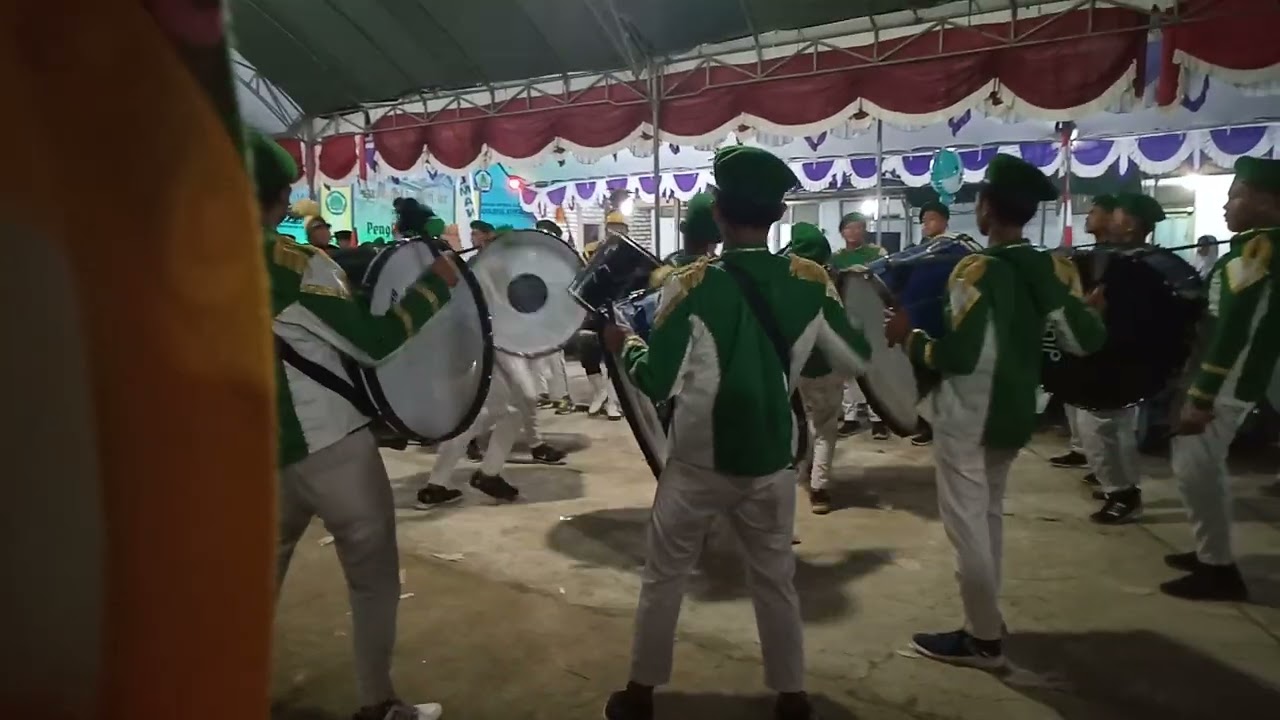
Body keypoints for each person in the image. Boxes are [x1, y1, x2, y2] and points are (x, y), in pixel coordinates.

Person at [599, 146, 871, 720]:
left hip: (697, 463)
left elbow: (660, 382)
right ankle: (792, 695)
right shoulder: (811, 280)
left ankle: (641, 693)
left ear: (719, 212)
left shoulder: (692, 284)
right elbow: (851, 356)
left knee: (665, 575)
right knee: (775, 578)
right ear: (775, 216)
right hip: (772, 461)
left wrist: (629, 346)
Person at [255, 133, 454, 720]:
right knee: (371, 579)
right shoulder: (292, 264)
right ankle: (378, 703)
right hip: (329, 447)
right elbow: (375, 343)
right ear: (279, 199)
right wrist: (433, 288)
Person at [885, 154, 1106, 669]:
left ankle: (982, 639)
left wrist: (910, 339)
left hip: (967, 417)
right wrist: (1092, 312)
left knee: (967, 527)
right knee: (988, 518)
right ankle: (986, 618)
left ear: (985, 209)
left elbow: (957, 357)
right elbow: (1083, 341)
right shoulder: (1054, 267)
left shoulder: (975, 270)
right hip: (1016, 413)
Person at [1160, 156, 1280, 602]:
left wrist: (1204, 394)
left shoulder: (1258, 252)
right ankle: (1210, 551)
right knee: (1198, 467)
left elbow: (1234, 330)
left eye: (1237, 196)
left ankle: (1218, 569)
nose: (1228, 206)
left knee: (1196, 467)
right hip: (1228, 378)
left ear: (1267, 202)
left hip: (1227, 380)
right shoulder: (1252, 247)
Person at [1074, 192, 1165, 524]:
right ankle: (1117, 485)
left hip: (1121, 354)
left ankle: (1124, 493)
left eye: (1117, 214)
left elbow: (1136, 314)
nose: (1110, 217)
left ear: (1130, 225)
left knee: (1108, 426)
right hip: (1108, 351)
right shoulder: (1121, 257)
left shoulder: (1141, 263)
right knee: (1101, 426)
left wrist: (1101, 311)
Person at [886, 200, 982, 447]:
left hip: (943, 323)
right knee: (920, 376)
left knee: (942, 376)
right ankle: (927, 424)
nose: (926, 224)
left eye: (931, 219)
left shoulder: (957, 248)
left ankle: (944, 425)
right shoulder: (917, 252)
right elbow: (899, 280)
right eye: (923, 220)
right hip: (916, 324)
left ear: (944, 220)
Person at [1049, 194, 1118, 472]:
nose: (1088, 217)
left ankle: (1108, 471)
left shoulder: (1117, 255)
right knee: (1074, 395)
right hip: (1081, 328)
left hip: (1105, 334)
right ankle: (1082, 450)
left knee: (1101, 412)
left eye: (1095, 212)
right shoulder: (1091, 253)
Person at [786, 222, 845, 515]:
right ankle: (819, 489)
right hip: (825, 365)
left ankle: (802, 470)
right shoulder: (823, 281)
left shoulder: (784, 277)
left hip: (797, 366)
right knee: (825, 426)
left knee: (807, 417)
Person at [830, 212, 890, 439]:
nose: (853, 232)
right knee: (849, 368)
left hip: (873, 315)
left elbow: (886, 283)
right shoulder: (836, 258)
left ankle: (879, 419)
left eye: (858, 227)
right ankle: (851, 417)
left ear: (864, 230)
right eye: (848, 228)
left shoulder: (877, 254)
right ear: (842, 232)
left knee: (875, 367)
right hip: (847, 317)